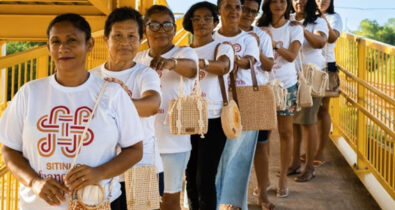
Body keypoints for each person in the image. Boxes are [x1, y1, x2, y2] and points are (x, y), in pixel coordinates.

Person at [0, 13, 144, 210]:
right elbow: (9, 149)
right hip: (37, 206)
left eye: (72, 40)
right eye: (55, 41)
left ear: (90, 44)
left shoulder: (112, 94)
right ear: (49, 46)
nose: (63, 48)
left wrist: (99, 173)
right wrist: (34, 182)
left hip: (95, 203)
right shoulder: (29, 93)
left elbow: (135, 150)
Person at [90, 7, 162, 209]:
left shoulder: (145, 75)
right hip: (101, 168)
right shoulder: (90, 77)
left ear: (140, 41)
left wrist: (116, 102)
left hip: (142, 166)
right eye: (118, 36)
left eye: (132, 36)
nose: (125, 43)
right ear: (106, 40)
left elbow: (152, 105)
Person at [134, 5, 198, 210]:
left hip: (174, 143)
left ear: (173, 29)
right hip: (142, 144)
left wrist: (172, 63)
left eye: (167, 24)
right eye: (154, 24)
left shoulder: (184, 52)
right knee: (143, 200)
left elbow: (191, 69)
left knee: (169, 201)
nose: (161, 29)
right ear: (145, 29)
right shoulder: (138, 58)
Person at [182, 2, 234, 210]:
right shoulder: (183, 51)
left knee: (205, 178)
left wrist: (199, 63)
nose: (201, 22)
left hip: (213, 118)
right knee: (190, 173)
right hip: (187, 117)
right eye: (196, 18)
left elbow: (223, 66)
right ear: (190, 22)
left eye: (207, 18)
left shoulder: (222, 47)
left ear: (215, 22)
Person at [213, 0, 262, 209]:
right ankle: (212, 199)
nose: (234, 11)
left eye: (237, 7)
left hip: (243, 99)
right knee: (214, 155)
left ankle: (234, 202)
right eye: (228, 6)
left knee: (240, 154)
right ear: (219, 10)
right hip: (214, 98)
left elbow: (251, 60)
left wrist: (229, 60)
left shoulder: (249, 38)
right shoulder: (211, 36)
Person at [256, 0, 303, 199]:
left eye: (282, 1)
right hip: (264, 86)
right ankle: (263, 180)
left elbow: (292, 56)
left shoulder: (294, 27)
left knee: (285, 133)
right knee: (263, 138)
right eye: (273, 1)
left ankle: (283, 178)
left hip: (286, 86)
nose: (278, 5)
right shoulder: (259, 27)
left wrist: (273, 44)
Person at [238, 0, 275, 208]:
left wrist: (255, 46)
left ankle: (263, 194)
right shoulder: (221, 32)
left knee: (260, 147)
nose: (249, 15)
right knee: (229, 148)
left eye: (254, 11)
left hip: (255, 93)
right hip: (228, 95)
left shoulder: (261, 35)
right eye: (245, 9)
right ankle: (231, 198)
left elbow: (269, 65)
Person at [289, 0, 328, 182]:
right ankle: (295, 162)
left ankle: (310, 167)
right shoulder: (287, 18)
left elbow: (320, 42)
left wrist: (301, 29)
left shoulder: (317, 21)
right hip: (292, 75)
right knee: (294, 123)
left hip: (313, 75)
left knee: (308, 121)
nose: (299, 2)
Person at [313, 0, 343, 167]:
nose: (321, 1)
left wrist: (322, 19)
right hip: (310, 67)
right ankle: (311, 150)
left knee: (323, 109)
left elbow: (332, 38)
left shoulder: (334, 17)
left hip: (327, 66)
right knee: (309, 109)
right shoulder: (308, 16)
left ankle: (320, 152)